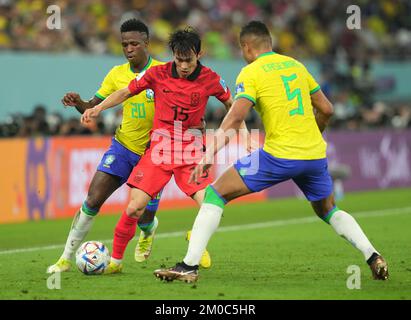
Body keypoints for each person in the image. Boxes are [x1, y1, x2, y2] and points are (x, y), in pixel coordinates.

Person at [153, 21, 389, 283]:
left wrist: (209, 156)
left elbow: (234, 118)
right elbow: (327, 109)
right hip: (313, 155)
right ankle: (373, 255)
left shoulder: (251, 72)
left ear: (246, 46)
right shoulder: (296, 66)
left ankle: (189, 265)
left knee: (215, 194)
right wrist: (314, 133)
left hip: (278, 155)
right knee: (328, 209)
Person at [81, 27, 251, 274]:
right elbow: (125, 91)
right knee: (133, 208)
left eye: (189, 60)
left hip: (191, 151)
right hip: (158, 151)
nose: (184, 66)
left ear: (199, 54)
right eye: (179, 60)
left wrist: (244, 134)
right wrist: (99, 108)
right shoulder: (157, 74)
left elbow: (233, 106)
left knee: (213, 206)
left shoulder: (211, 79)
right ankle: (116, 262)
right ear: (173, 55)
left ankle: (196, 236)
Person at [47, 19, 167, 273]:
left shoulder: (164, 72)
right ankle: (66, 258)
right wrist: (79, 102)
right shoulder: (116, 74)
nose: (129, 48)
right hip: (123, 147)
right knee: (93, 198)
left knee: (142, 215)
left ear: (146, 43)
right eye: (125, 44)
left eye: (134, 43)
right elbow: (93, 106)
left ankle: (149, 229)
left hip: (153, 154)